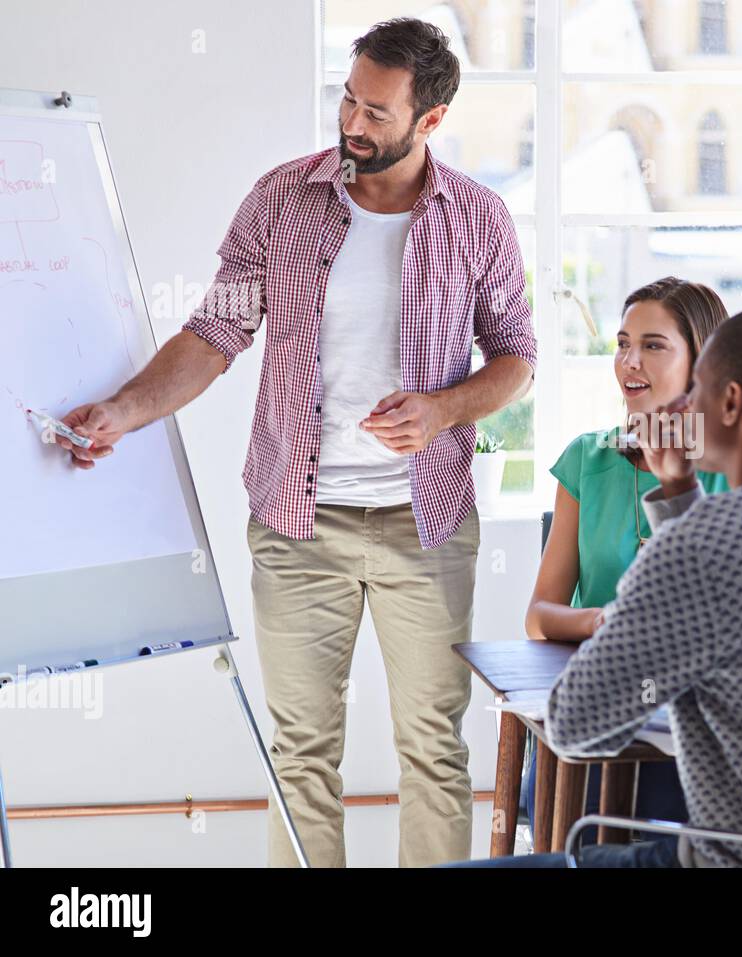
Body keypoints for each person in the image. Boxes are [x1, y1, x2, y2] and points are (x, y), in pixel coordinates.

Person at [52, 19, 536, 867]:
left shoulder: (479, 218)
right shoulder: (283, 199)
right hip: (296, 524)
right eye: (349, 97)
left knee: (434, 749)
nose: (353, 121)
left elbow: (517, 360)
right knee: (301, 752)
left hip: (427, 523)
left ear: (430, 121)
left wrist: (445, 410)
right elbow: (216, 332)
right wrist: (125, 409)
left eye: (377, 111)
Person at [448, 307, 742, 868]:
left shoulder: (701, 544)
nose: (682, 404)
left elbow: (576, 728)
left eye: (696, 387)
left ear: (731, 402)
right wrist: (678, 490)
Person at [519, 277, 729, 838]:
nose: (629, 361)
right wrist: (604, 623)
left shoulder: (732, 470)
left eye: (653, 345)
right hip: (601, 705)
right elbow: (540, 616)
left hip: (694, 718)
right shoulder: (587, 459)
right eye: (621, 343)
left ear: (700, 361)